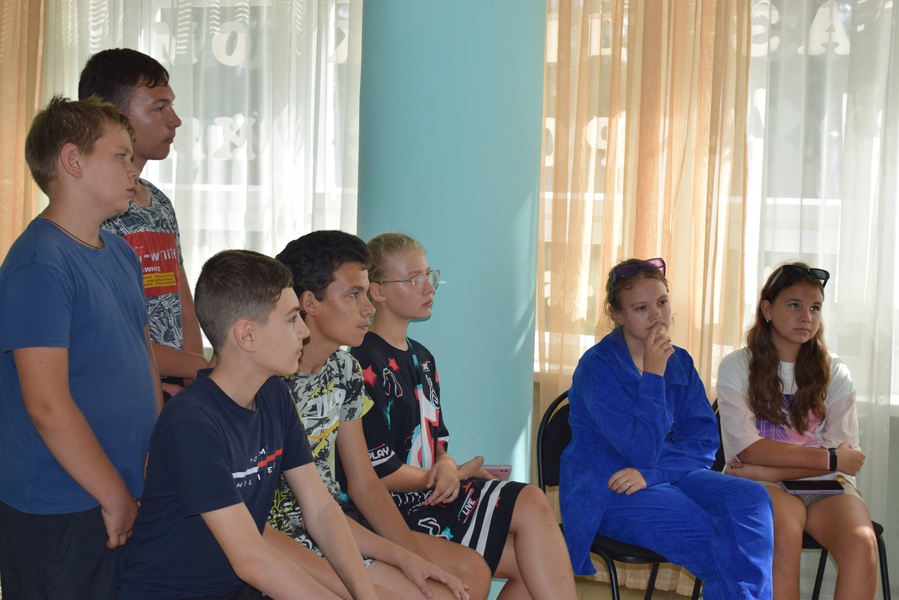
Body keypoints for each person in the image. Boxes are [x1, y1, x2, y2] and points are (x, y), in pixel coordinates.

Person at [118, 249, 378, 600]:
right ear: (247, 335)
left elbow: (320, 509)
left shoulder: (273, 393)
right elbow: (251, 558)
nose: (304, 332)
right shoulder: (191, 422)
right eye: (291, 319)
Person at [351, 232, 577, 600]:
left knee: (533, 556)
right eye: (414, 279)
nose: (429, 287)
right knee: (529, 509)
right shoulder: (363, 365)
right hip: (396, 509)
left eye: (429, 275)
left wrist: (445, 463)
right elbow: (379, 473)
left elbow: (436, 440)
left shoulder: (423, 358)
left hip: (433, 492)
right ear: (377, 292)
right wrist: (448, 475)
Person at [268, 230, 490, 600]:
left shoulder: (345, 370)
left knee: (465, 578)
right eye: (353, 295)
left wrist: (414, 561)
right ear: (309, 303)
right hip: (289, 540)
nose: (368, 308)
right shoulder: (272, 381)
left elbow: (365, 484)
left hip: (334, 525)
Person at [0, 96, 161, 598]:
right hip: (60, 504)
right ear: (72, 160)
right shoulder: (39, 263)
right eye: (120, 155)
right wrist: (114, 496)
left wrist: (152, 454)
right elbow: (47, 404)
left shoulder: (120, 253)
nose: (134, 169)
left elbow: (144, 359)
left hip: (120, 488)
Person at [559, 257, 774, 600]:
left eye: (662, 302)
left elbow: (704, 442)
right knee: (716, 534)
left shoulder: (680, 360)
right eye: (641, 308)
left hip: (666, 475)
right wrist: (653, 376)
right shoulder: (597, 367)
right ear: (617, 314)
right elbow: (638, 453)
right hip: (609, 487)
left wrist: (657, 475)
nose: (657, 315)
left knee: (752, 499)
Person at [717, 262, 878, 600]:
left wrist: (769, 468)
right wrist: (829, 459)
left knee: (863, 543)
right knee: (785, 531)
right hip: (761, 485)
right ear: (767, 310)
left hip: (818, 484)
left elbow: (844, 460)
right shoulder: (737, 366)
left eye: (815, 308)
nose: (806, 316)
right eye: (794, 305)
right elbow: (749, 450)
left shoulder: (835, 371)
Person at [79, 48, 207, 398]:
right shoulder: (94, 210)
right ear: (114, 116)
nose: (175, 120)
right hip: (122, 389)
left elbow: (182, 302)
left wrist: (192, 377)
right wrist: (200, 368)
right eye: (159, 108)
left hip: (174, 384)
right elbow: (108, 332)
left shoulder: (159, 202)